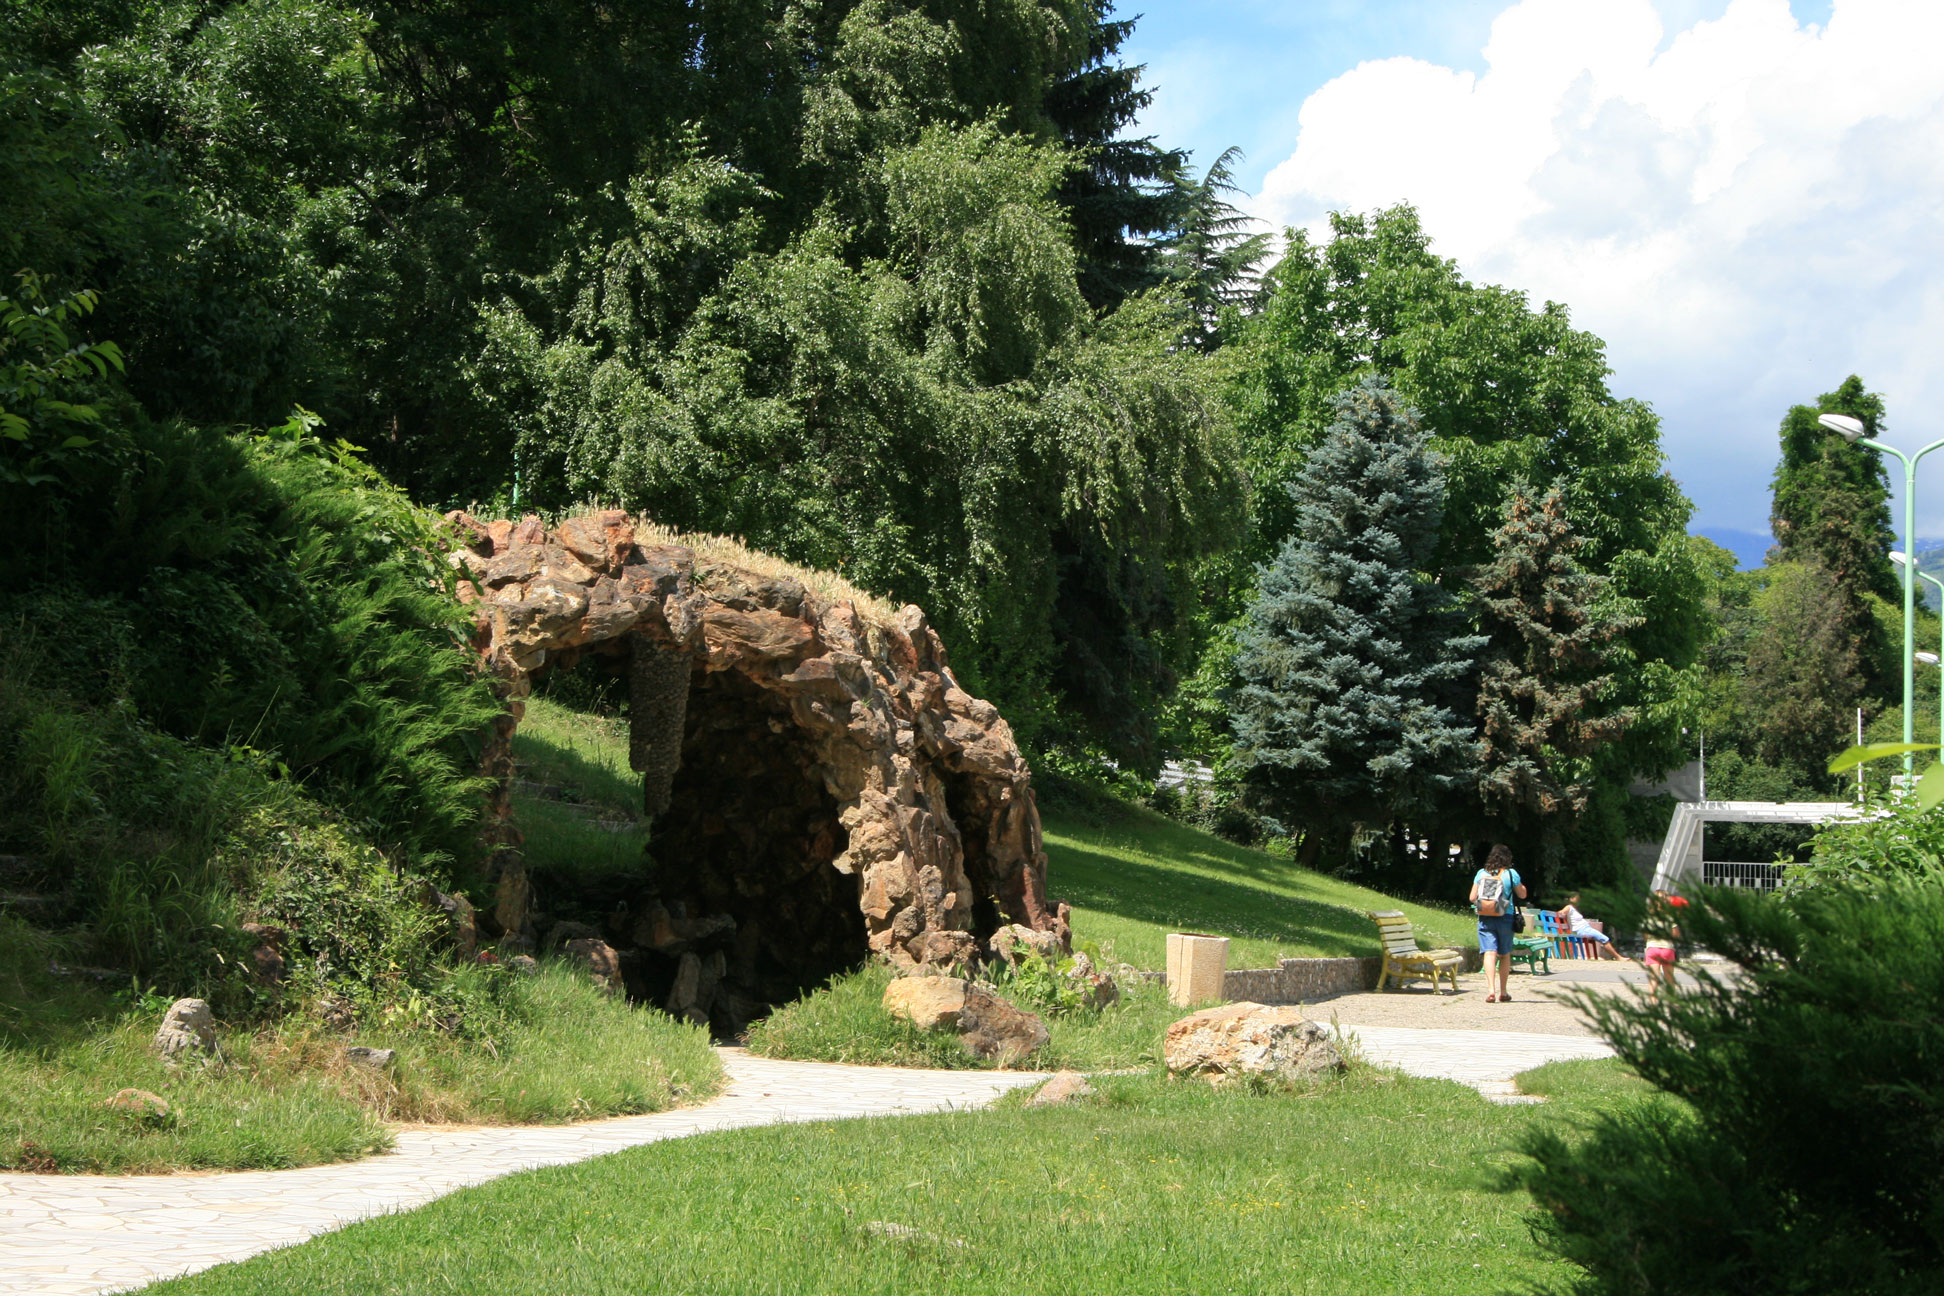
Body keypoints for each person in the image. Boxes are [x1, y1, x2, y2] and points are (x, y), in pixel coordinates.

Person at [1469, 843, 1528, 1003]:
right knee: (1504, 954)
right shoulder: (1510, 874)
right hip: (1505, 917)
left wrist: (1485, 905)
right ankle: (1503, 991)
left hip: (1485, 917)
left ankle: (1490, 990)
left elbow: (1472, 898)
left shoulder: (1481, 873)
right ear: (1507, 858)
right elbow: (1522, 894)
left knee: (1489, 952)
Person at [1556, 893, 1627, 962]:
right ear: (1571, 899)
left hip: (1585, 929)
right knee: (1604, 939)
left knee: (1604, 939)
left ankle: (1617, 957)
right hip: (1581, 930)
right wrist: (1562, 914)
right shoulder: (1569, 907)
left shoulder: (1575, 909)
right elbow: (1561, 912)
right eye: (1576, 898)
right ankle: (1618, 957)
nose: (1578, 900)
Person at [1644, 892, 1686, 1000]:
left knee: (1654, 979)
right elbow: (1675, 934)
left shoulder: (1649, 917)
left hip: (1652, 948)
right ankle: (1672, 1003)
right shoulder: (1670, 917)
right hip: (1667, 948)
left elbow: (1645, 935)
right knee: (1669, 979)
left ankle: (1653, 1004)